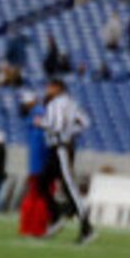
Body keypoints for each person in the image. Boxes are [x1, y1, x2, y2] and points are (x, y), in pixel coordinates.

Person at [38, 76, 93, 241]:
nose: (47, 90)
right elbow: (85, 122)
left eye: (50, 87)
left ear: (57, 88)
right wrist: (71, 132)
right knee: (43, 183)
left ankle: (86, 226)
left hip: (59, 148)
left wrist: (42, 123)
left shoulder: (55, 104)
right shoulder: (72, 103)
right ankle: (56, 216)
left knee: (68, 187)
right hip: (63, 146)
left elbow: (56, 125)